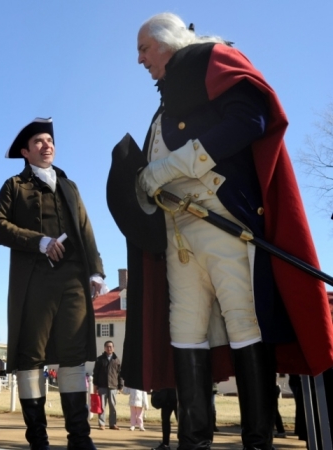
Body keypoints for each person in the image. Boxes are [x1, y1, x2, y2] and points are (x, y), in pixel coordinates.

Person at [107, 12, 333, 450]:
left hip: (224, 224)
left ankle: (257, 442)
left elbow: (251, 121)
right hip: (177, 237)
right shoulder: (162, 108)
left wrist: (171, 166)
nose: (139, 60)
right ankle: (194, 443)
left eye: (143, 48)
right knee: (185, 331)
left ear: (167, 40)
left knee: (245, 323)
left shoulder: (214, 58)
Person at [0, 117, 108, 450]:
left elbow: (85, 228)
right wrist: (39, 241)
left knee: (72, 356)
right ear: (26, 152)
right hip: (34, 280)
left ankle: (80, 440)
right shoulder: (14, 186)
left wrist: (96, 271)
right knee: (31, 357)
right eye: (39, 142)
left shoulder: (70, 186)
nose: (47, 145)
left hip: (72, 280)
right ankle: (37, 441)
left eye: (49, 140)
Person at [92, 341, 123, 431]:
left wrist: (120, 385)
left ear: (113, 348)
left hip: (113, 386)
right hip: (102, 386)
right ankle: (102, 423)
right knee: (102, 406)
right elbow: (95, 373)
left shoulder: (116, 360)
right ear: (105, 348)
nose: (109, 348)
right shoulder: (99, 360)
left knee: (113, 406)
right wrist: (95, 385)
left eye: (111, 347)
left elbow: (120, 374)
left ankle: (113, 424)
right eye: (107, 346)